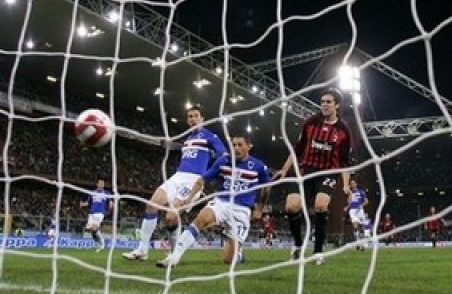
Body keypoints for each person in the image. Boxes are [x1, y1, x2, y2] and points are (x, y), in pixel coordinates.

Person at [123, 106, 226, 261]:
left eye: (196, 116)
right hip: (177, 177)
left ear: (202, 118)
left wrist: (207, 174)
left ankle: (174, 253)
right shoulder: (187, 139)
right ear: (187, 120)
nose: (193, 118)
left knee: (170, 217)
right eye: (190, 116)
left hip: (193, 180)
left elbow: (223, 155)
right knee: (151, 205)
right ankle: (142, 249)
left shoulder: (210, 136)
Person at [156, 135, 271, 267]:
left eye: (240, 145)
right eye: (233, 145)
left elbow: (267, 187)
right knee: (200, 219)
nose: (236, 148)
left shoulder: (258, 166)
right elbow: (201, 180)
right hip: (221, 202)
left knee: (228, 260)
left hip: (241, 210)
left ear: (249, 146)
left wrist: (260, 208)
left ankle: (238, 255)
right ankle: (174, 258)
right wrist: (188, 199)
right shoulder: (223, 161)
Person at [274, 88, 352, 264]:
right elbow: (297, 149)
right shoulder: (310, 122)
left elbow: (345, 162)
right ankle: (298, 244)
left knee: (321, 205)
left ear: (337, 105)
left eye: (328, 102)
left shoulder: (343, 130)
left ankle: (318, 252)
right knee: (292, 206)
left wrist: (346, 185)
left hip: (327, 173)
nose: (324, 104)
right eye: (322, 101)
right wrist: (284, 170)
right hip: (305, 169)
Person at [80, 178, 113, 252]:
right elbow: (88, 203)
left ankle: (102, 244)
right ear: (97, 184)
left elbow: (110, 201)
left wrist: (111, 204)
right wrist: (83, 204)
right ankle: (98, 244)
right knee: (90, 230)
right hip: (91, 213)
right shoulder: (92, 193)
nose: (102, 184)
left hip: (100, 213)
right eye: (100, 183)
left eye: (103, 183)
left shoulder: (107, 193)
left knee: (94, 228)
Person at [344, 179, 368, 250]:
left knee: (362, 227)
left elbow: (366, 201)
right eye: (351, 183)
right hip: (352, 210)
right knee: (355, 227)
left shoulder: (361, 192)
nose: (352, 184)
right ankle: (358, 242)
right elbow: (349, 202)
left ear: (356, 184)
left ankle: (363, 243)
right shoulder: (350, 192)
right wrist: (347, 207)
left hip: (360, 210)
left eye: (353, 183)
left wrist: (362, 205)